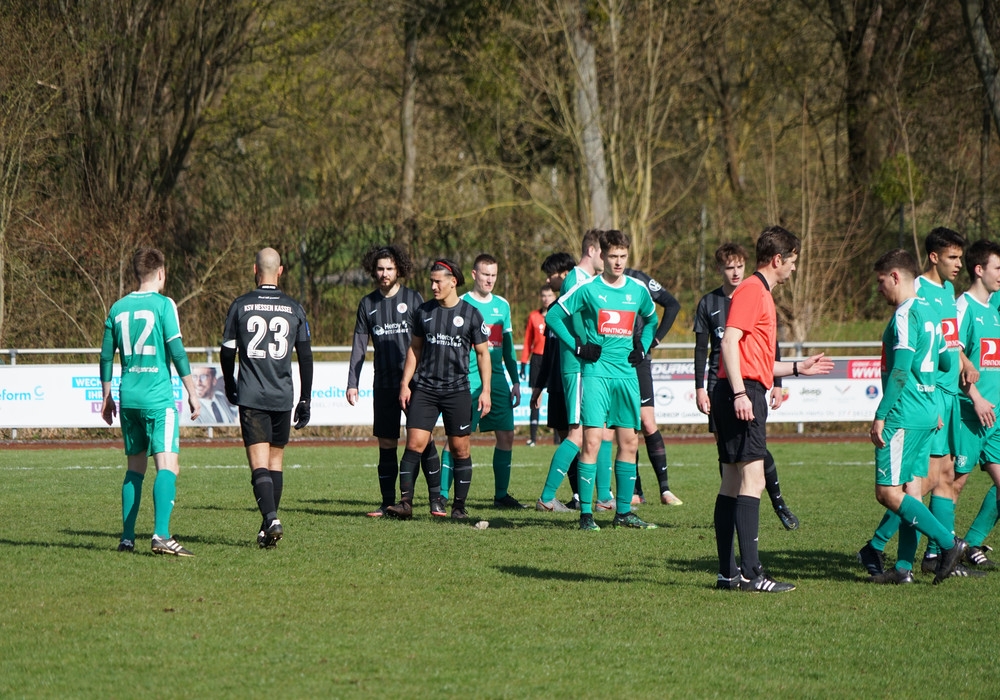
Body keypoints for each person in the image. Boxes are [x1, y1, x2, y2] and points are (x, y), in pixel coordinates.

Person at [711, 226, 833, 592]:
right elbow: (729, 343)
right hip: (742, 392)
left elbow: (757, 361)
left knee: (732, 481)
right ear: (778, 259)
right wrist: (740, 394)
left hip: (739, 388)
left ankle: (729, 574)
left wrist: (797, 367)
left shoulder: (756, 291)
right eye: (793, 261)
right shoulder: (754, 290)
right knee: (753, 479)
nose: (794, 268)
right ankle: (752, 574)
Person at [858, 228, 970, 575]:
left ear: (895, 276)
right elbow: (948, 362)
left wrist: (881, 414)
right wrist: (932, 396)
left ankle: (950, 544)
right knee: (912, 491)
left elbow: (901, 370)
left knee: (888, 493)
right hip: (928, 412)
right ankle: (904, 568)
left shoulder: (906, 314)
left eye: (881, 282)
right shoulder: (932, 312)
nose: (879, 289)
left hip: (903, 414)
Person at [545, 229, 658, 530]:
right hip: (596, 374)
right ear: (602, 256)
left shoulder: (637, 290)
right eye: (613, 256)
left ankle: (624, 513)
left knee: (629, 441)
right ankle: (586, 515)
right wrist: (578, 347)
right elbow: (553, 316)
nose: (618, 262)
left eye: (623, 256)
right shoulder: (588, 288)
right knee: (592, 441)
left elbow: (652, 319)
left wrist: (643, 346)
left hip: (627, 375)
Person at [100, 247, 201, 556]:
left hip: (129, 398)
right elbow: (177, 350)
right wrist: (192, 392)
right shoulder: (164, 305)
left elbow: (106, 356)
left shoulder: (117, 308)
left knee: (134, 469)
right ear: (161, 273)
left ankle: (127, 538)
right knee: (168, 465)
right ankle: (161, 535)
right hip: (158, 399)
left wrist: (106, 396)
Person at [694, 242, 799, 529]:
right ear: (720, 269)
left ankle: (777, 502)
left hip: (748, 381)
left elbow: (769, 345)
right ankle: (735, 515)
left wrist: (778, 382)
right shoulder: (710, 303)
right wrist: (700, 388)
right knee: (729, 457)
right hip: (722, 385)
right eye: (730, 267)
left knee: (755, 451)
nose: (736, 272)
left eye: (740, 266)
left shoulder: (753, 293)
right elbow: (703, 349)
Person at [221, 247, 313, 548]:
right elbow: (306, 357)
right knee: (276, 463)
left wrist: (230, 383)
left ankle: (272, 519)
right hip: (282, 395)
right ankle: (266, 529)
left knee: (259, 464)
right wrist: (305, 399)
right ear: (281, 271)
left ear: (254, 270)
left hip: (252, 395)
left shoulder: (240, 305)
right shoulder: (294, 307)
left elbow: (227, 351)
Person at [389, 259, 491, 520]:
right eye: (431, 282)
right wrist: (405, 384)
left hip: (457, 391)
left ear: (453, 282)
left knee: (460, 449)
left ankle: (458, 507)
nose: (433, 286)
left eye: (438, 282)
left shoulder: (471, 314)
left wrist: (486, 390)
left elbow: (483, 354)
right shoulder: (423, 312)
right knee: (414, 444)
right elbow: (415, 349)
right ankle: (405, 504)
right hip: (426, 389)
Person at [346, 244, 441, 517]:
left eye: (389, 268)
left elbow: (427, 340)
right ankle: (388, 503)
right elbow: (359, 346)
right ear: (373, 271)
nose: (384, 273)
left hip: (415, 383)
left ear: (398, 269)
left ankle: (436, 501)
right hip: (384, 383)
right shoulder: (367, 304)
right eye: (380, 269)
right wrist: (352, 382)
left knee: (424, 440)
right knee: (386, 444)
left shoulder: (413, 299)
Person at [535, 233, 616, 513]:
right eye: (605, 253)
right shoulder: (576, 280)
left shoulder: (588, 280)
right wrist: (580, 347)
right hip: (578, 366)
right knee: (578, 433)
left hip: (590, 365)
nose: (608, 259)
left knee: (600, 429)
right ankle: (547, 497)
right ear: (592, 250)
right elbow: (558, 318)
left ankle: (604, 498)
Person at [441, 253, 526, 509]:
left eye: (493, 275)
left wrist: (515, 381)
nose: (490, 280)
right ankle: (442, 495)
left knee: (507, 435)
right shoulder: (461, 303)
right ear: (474, 274)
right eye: (485, 274)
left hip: (497, 379)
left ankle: (501, 496)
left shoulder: (502, 305)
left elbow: (508, 347)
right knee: (457, 438)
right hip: (468, 379)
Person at [952, 240, 1000, 569]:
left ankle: (967, 545)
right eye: (998, 268)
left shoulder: (994, 306)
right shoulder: (963, 306)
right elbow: (951, 350)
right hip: (969, 413)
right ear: (979, 270)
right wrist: (977, 397)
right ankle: (935, 551)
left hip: (994, 416)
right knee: (949, 486)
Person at [624, 265, 683, 506]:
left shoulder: (638, 279)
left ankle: (665, 489)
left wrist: (654, 339)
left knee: (647, 423)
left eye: (621, 254)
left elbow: (672, 305)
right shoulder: (597, 282)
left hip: (639, 360)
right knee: (627, 425)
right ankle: (635, 490)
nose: (616, 260)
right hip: (612, 361)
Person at [520, 284, 555, 446]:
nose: (546, 299)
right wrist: (523, 362)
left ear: (554, 296)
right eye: (544, 295)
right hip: (537, 359)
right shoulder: (534, 316)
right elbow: (528, 341)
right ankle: (533, 438)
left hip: (553, 358)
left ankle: (557, 438)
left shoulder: (558, 314)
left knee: (555, 396)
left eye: (549, 295)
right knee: (536, 396)